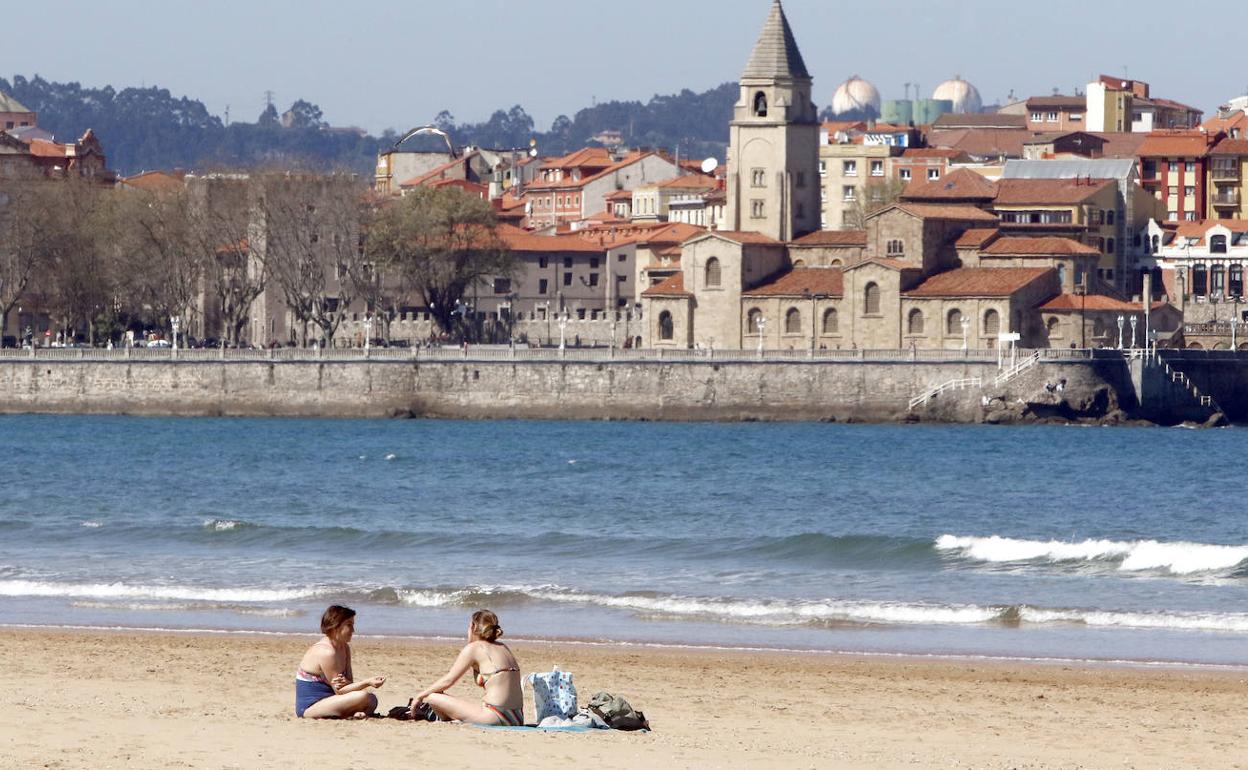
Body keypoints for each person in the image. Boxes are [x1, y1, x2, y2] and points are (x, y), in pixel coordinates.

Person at [411, 610, 524, 726]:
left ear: (473, 627)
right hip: (517, 717)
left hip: (495, 716)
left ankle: (447, 721)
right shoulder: (503, 647)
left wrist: (420, 696)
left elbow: (449, 680)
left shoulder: (473, 648)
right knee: (437, 696)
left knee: (432, 698)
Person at [294, 605, 386, 718]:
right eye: (349, 625)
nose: (353, 630)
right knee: (363, 697)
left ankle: (357, 714)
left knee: (372, 699)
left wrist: (347, 683)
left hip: (332, 700)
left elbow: (349, 684)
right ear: (335, 626)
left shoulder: (344, 648)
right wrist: (367, 682)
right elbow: (340, 691)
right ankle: (356, 713)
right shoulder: (327, 652)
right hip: (311, 707)